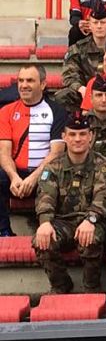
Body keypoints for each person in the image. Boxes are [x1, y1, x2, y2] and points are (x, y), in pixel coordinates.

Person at [33, 113, 106, 293]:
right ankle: (61, 286)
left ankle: (92, 288)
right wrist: (45, 222)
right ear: (64, 137)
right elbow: (45, 196)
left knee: (90, 239)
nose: (78, 139)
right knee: (42, 241)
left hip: (93, 221)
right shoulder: (53, 167)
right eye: (72, 134)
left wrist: (91, 219)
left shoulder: (103, 165)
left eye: (83, 134)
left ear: (90, 136)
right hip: (64, 222)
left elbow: (104, 195)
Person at [0, 65, 66, 236]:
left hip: (45, 173)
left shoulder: (57, 111)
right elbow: (4, 151)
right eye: (21, 80)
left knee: (57, 179)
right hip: (16, 174)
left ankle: (51, 231)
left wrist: (33, 178)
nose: (24, 85)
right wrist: (14, 177)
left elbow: (57, 152)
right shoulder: (6, 111)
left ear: (43, 84)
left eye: (30, 80)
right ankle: (3, 232)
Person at [58, 4, 106, 112]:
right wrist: (81, 88)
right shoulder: (78, 48)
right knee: (63, 96)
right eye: (95, 23)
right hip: (86, 93)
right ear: (90, 25)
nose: (99, 26)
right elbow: (69, 75)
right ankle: (77, 120)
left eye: (103, 22)